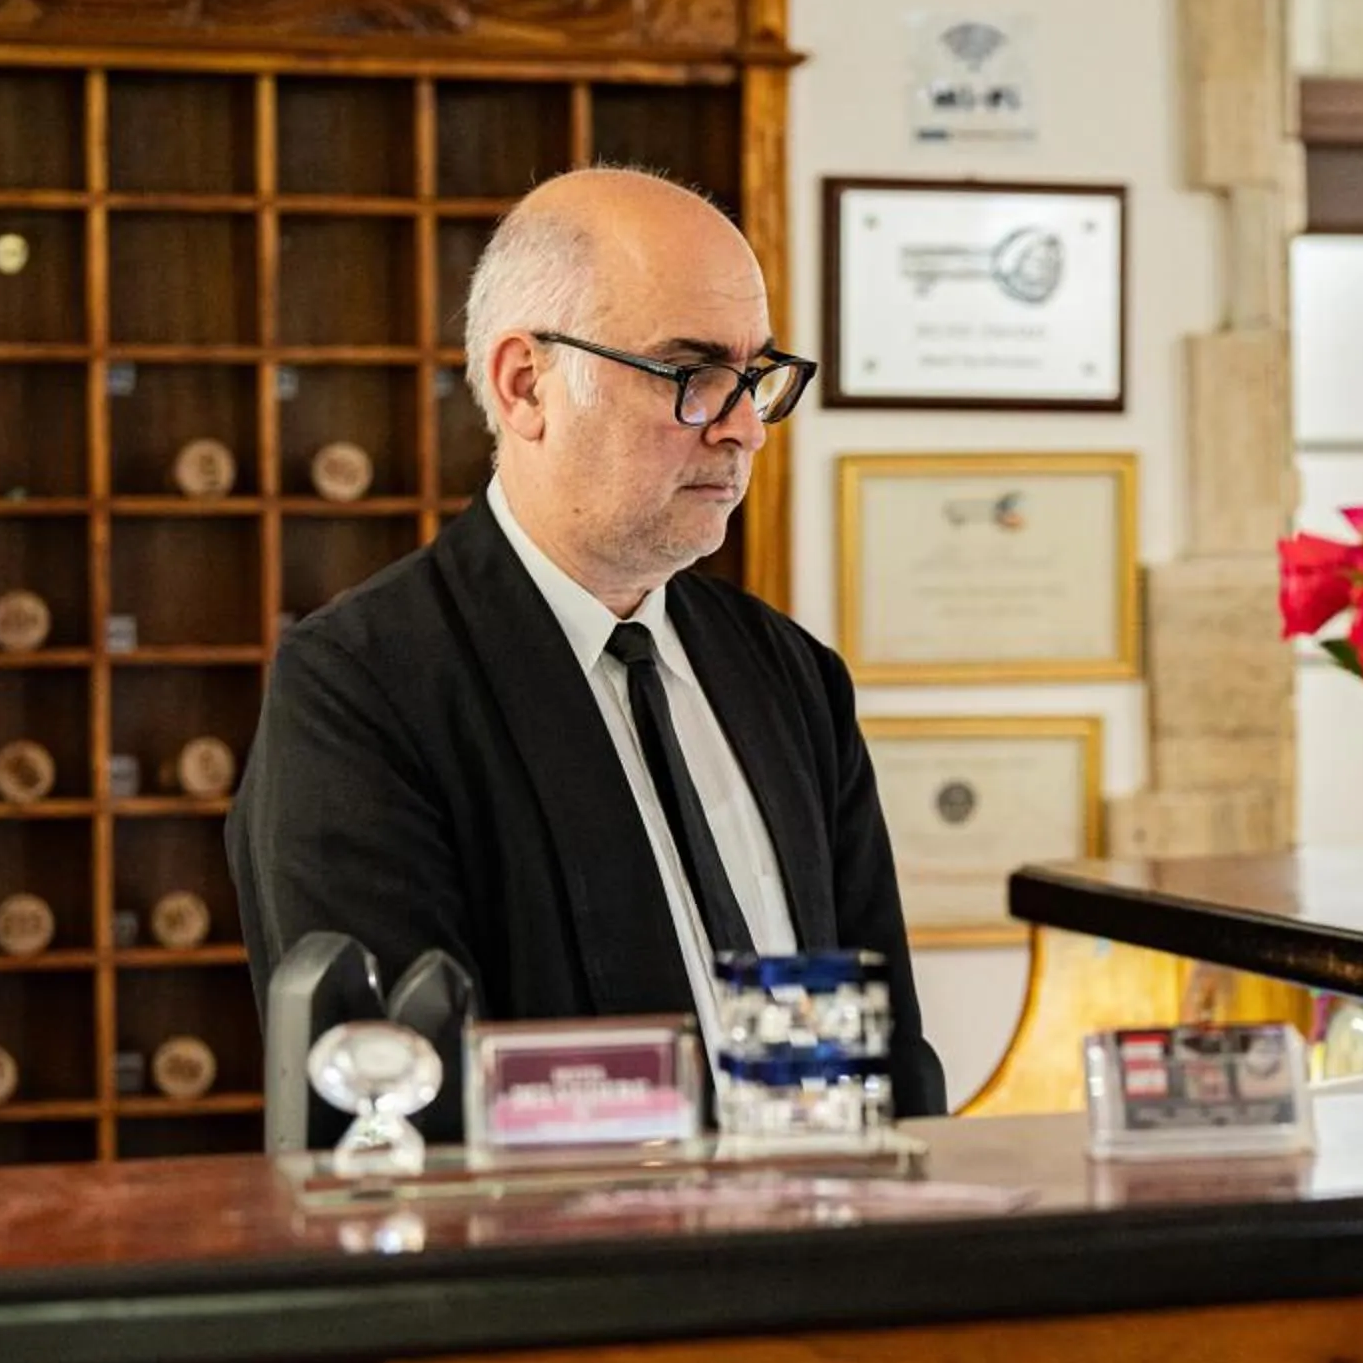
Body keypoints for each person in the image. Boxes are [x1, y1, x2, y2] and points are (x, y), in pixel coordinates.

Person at [227, 167, 944, 1116]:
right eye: (692, 376)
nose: (742, 433)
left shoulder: (788, 676)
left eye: (756, 379)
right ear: (526, 386)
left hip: (807, 1249)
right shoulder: (363, 691)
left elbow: (884, 1048)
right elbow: (394, 1103)